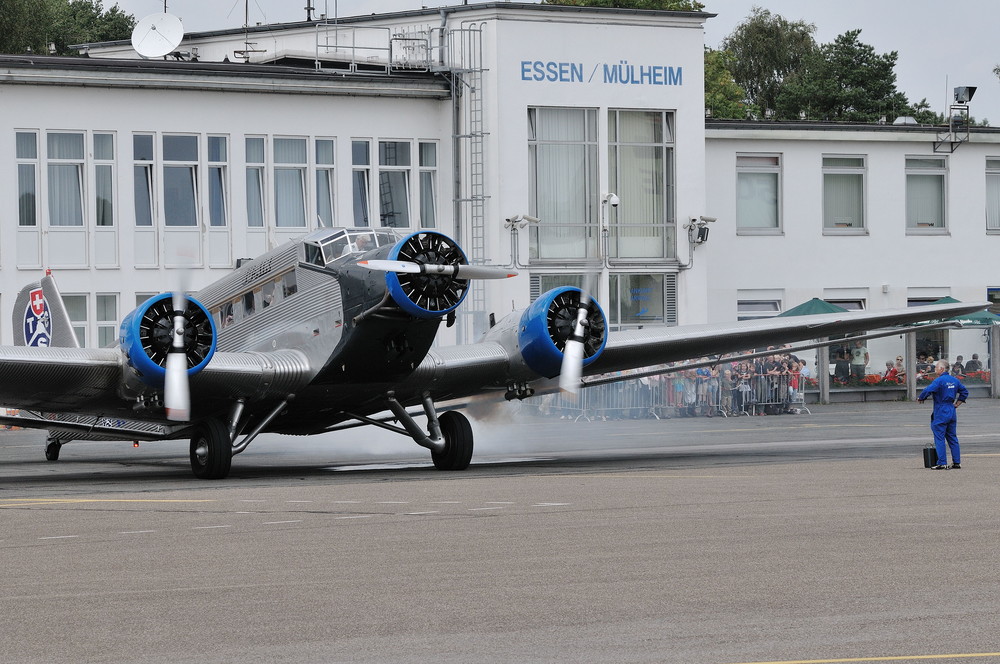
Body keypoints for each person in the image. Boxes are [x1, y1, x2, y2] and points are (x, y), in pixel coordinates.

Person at [917, 359, 969, 470]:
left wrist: (921, 398)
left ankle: (942, 462)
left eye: (936, 367)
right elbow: (964, 392)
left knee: (939, 436)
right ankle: (956, 462)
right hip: (951, 409)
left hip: (941, 409)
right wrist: (957, 403)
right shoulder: (954, 380)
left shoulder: (939, 381)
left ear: (941, 369)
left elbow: (928, 390)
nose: (935, 369)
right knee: (952, 437)